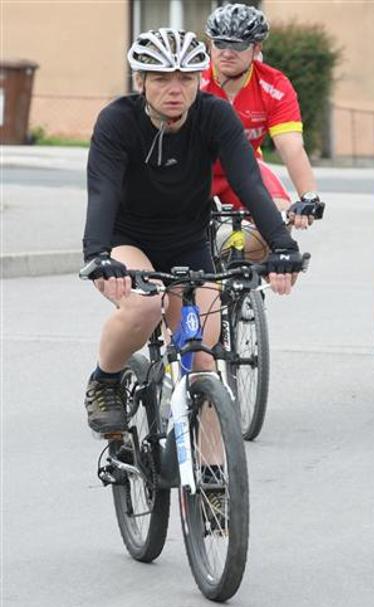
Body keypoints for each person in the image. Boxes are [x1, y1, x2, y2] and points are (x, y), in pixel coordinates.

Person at [81, 28, 306, 436]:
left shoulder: (214, 115)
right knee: (145, 306)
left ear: (198, 80)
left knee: (202, 360)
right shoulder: (118, 121)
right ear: (140, 81)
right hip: (128, 239)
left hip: (188, 242)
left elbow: (248, 183)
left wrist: (282, 245)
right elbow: (103, 191)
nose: (175, 90)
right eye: (161, 78)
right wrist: (98, 255)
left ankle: (214, 472)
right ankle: (106, 380)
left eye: (185, 78)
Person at [201, 3, 322, 258]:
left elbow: (291, 147)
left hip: (244, 168)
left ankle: (248, 274)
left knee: (280, 219)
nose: (227, 53)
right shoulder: (194, 79)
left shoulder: (274, 85)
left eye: (238, 46)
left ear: (256, 48)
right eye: (220, 43)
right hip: (194, 170)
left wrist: (308, 196)